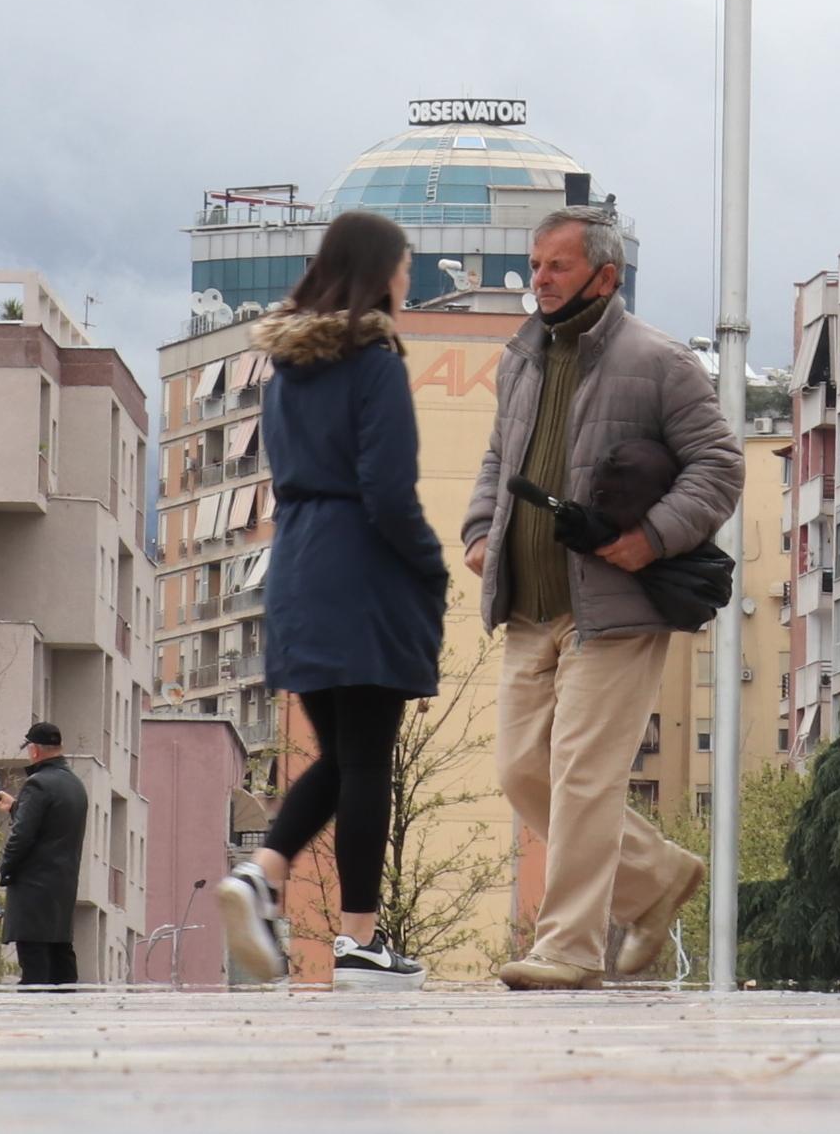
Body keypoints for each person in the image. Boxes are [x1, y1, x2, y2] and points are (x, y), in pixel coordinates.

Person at [460, 204, 740, 990]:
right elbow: (497, 456)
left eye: (555, 266)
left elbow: (719, 466)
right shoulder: (522, 357)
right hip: (525, 606)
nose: (538, 280)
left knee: (584, 776)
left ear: (605, 276)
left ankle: (570, 948)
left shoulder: (660, 361)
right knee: (522, 772)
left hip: (613, 611)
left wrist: (651, 538)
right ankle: (653, 878)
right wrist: (481, 530)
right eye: (535, 265)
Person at [221, 209, 449, 988]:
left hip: (297, 566)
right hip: (363, 569)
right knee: (368, 758)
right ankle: (357, 941)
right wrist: (431, 565)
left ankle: (261, 873)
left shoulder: (285, 375)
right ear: (378, 271)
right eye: (406, 267)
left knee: (343, 757)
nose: (409, 281)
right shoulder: (377, 365)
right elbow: (388, 491)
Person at [0, 721, 87, 988]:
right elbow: (52, 825)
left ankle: (37, 1025)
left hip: (33, 889)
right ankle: (66, 1021)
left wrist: (6, 868)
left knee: (35, 972)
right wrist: (16, 807)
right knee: (61, 964)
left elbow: (22, 836)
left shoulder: (37, 784)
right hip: (63, 888)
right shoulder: (74, 785)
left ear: (34, 750)